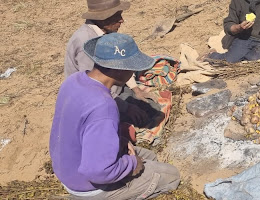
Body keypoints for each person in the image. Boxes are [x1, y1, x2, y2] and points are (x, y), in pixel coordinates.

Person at [50, 33, 180, 199]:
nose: (133, 71)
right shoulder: (104, 105)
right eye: (131, 67)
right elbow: (98, 171)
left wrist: (121, 142)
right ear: (119, 70)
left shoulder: (73, 80)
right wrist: (132, 165)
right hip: (88, 186)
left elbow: (85, 130)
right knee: (172, 175)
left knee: (152, 157)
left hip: (68, 167)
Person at [64, 0, 153, 126]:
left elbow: (121, 61)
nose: (122, 20)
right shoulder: (86, 43)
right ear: (103, 19)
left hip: (113, 88)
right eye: (117, 16)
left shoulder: (105, 31)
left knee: (151, 107)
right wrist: (126, 108)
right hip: (98, 99)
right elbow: (94, 90)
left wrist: (136, 89)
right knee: (147, 116)